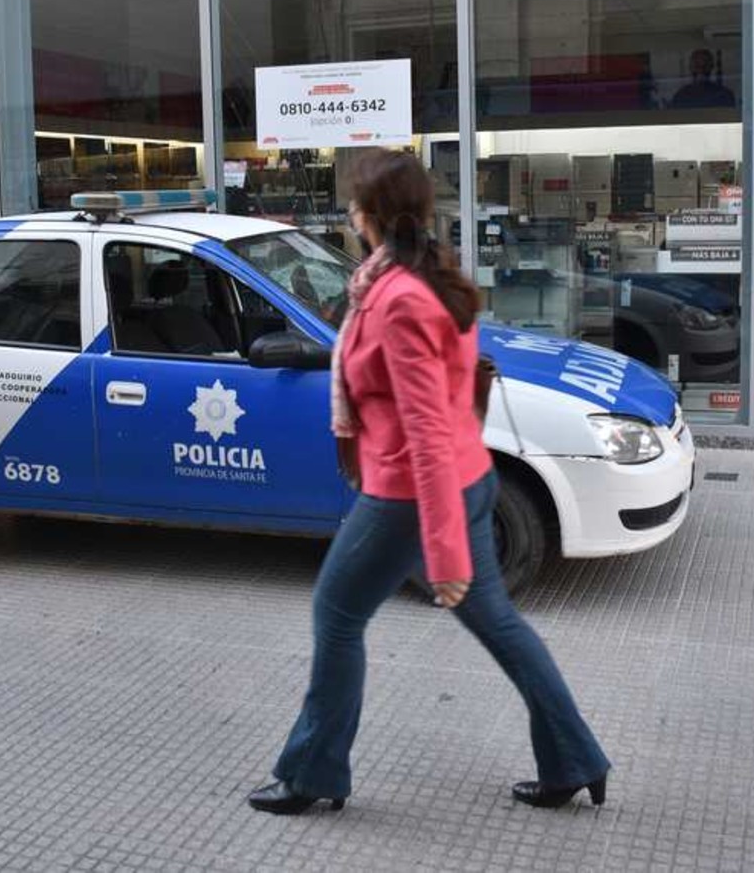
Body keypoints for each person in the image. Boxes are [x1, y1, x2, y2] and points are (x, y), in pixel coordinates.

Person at [247, 149, 610, 816]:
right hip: (461, 480)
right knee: (498, 623)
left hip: (411, 494)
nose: (350, 212)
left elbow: (425, 432)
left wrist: (441, 556)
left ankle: (312, 772)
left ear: (371, 215)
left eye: (355, 202)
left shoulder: (400, 299)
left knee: (336, 615)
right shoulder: (426, 277)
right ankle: (573, 760)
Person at [670, 48, 735, 109]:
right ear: (690, 67)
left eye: (705, 64)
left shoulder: (723, 95)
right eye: (697, 65)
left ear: (711, 66)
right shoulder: (681, 96)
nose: (701, 69)